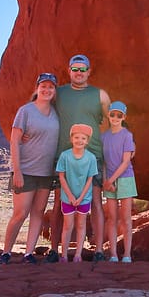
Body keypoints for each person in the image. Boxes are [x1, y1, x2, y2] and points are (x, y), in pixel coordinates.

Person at [48, 53, 110, 263]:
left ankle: (99, 250)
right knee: (59, 202)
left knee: (95, 202)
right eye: (75, 69)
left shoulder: (100, 95)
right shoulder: (59, 93)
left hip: (92, 155)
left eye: (83, 69)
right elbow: (41, 105)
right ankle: (54, 251)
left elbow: (112, 123)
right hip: (63, 155)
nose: (79, 73)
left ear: (89, 72)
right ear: (69, 71)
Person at [0, 72, 59, 266]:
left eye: (50, 87)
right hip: (26, 171)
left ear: (54, 91)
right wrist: (17, 171)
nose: (46, 90)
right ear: (37, 88)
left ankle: (28, 253)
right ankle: (6, 253)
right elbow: (15, 141)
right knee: (20, 213)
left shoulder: (56, 113)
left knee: (38, 212)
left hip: (46, 172)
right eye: (43, 86)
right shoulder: (26, 111)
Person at [55, 123, 99, 262]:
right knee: (68, 226)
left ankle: (78, 255)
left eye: (83, 138)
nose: (80, 141)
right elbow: (61, 176)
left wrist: (80, 197)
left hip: (84, 198)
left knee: (81, 225)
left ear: (87, 141)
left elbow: (90, 179)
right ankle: (63, 255)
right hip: (67, 198)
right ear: (71, 139)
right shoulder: (65, 156)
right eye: (77, 137)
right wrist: (70, 196)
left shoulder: (91, 158)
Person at [102, 100, 137, 263]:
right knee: (111, 217)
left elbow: (125, 162)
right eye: (112, 114)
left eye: (119, 115)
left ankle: (127, 254)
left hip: (125, 179)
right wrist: (105, 180)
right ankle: (114, 254)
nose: (115, 117)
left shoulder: (127, 136)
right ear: (108, 115)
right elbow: (102, 161)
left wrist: (111, 179)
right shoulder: (104, 137)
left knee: (126, 217)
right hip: (109, 181)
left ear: (124, 117)